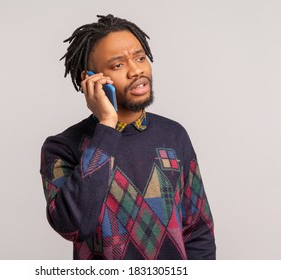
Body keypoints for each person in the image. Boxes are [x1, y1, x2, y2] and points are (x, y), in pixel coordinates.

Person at [40, 14, 216, 260]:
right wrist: (107, 127)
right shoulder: (61, 147)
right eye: (118, 65)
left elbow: (197, 229)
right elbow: (73, 225)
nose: (136, 70)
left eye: (140, 58)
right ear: (90, 79)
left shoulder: (174, 135)